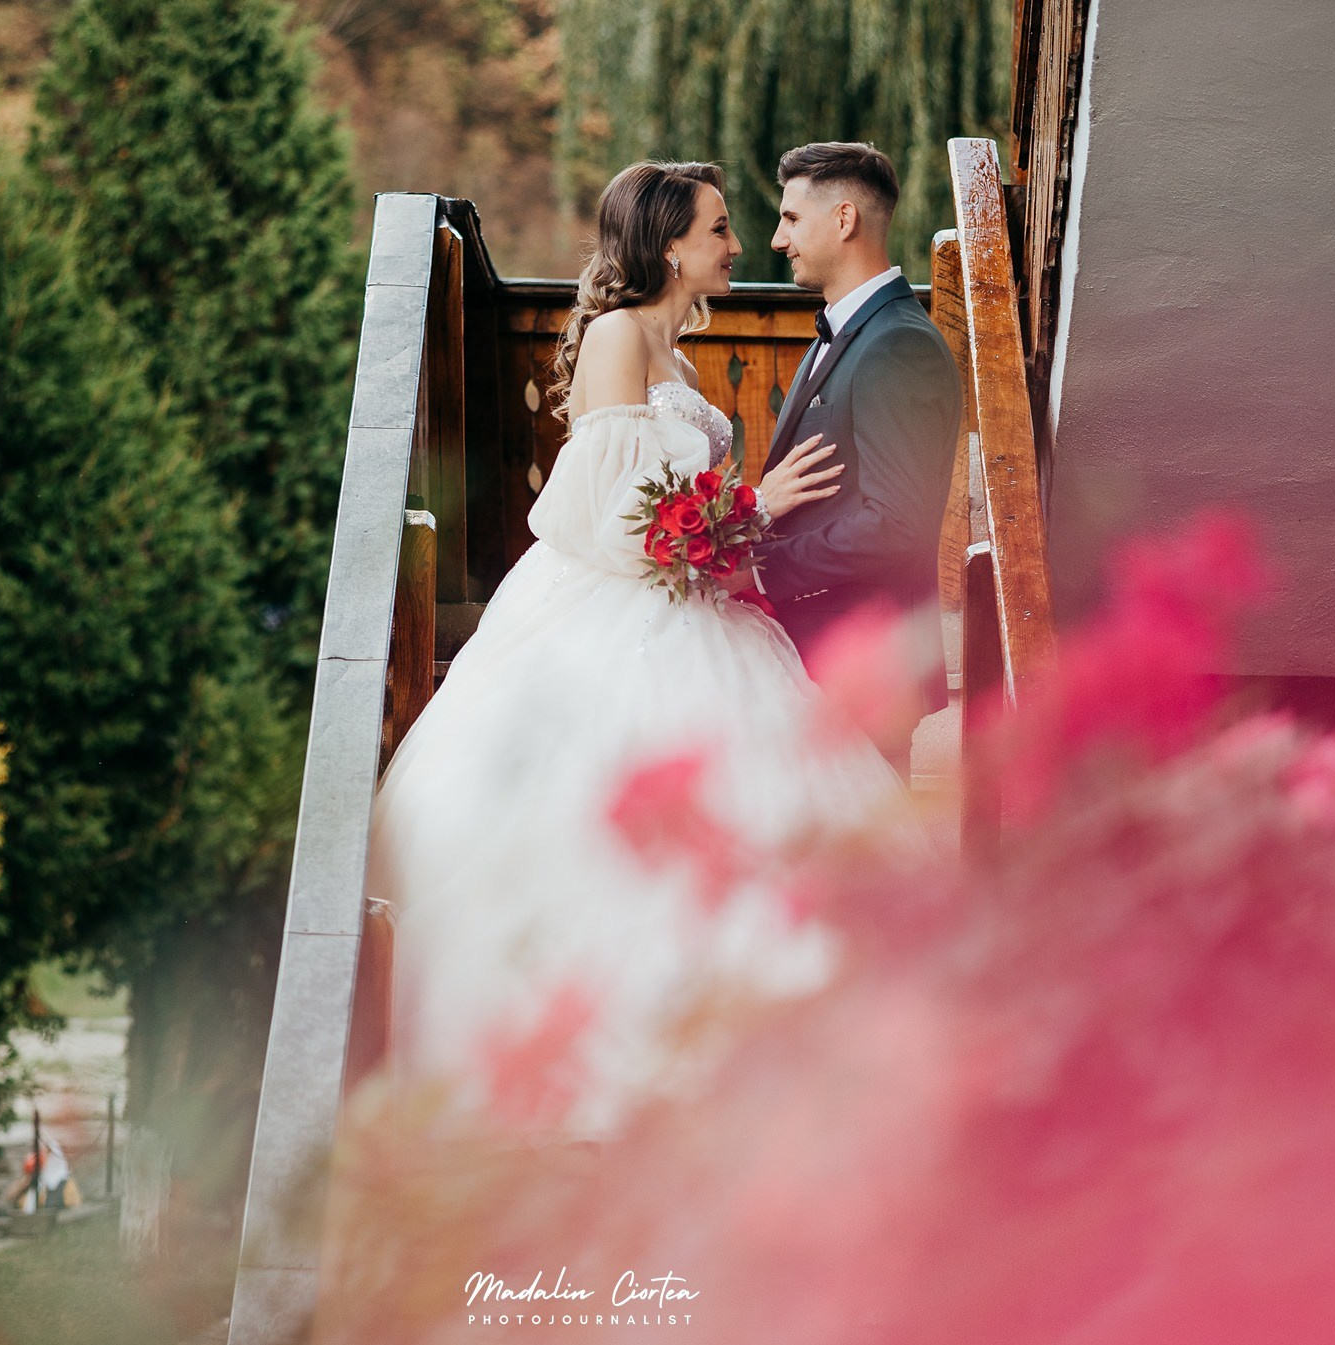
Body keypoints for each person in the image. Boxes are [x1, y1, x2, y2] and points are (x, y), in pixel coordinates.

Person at [370, 160, 915, 1142]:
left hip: (699, 606)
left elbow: (670, 513)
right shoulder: (618, 339)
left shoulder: (674, 355)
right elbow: (619, 522)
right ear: (668, 244)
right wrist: (756, 504)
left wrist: (743, 526)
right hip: (615, 611)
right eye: (718, 228)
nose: (737, 246)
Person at [748, 142, 963, 709]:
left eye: (791, 218)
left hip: (869, 662)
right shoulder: (851, 331)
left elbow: (895, 524)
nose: (778, 239)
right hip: (822, 653)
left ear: (845, 219)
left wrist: (759, 571)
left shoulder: (898, 344)